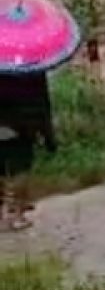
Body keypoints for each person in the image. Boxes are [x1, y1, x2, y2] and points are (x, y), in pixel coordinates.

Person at [0, 72, 55, 230]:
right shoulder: (31, 65)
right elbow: (42, 101)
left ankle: (3, 212)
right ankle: (17, 214)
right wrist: (48, 135)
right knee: (21, 168)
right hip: (22, 125)